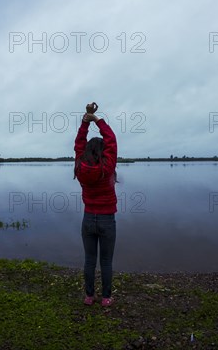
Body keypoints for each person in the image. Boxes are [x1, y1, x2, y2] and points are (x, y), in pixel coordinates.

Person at [74, 102, 118, 307]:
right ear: (103, 151)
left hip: (88, 218)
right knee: (106, 262)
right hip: (107, 219)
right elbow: (111, 140)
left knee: (90, 260)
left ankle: (89, 297)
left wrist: (86, 120)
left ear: (86, 152)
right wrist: (97, 119)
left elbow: (78, 143)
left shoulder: (80, 165)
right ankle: (106, 298)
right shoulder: (108, 165)